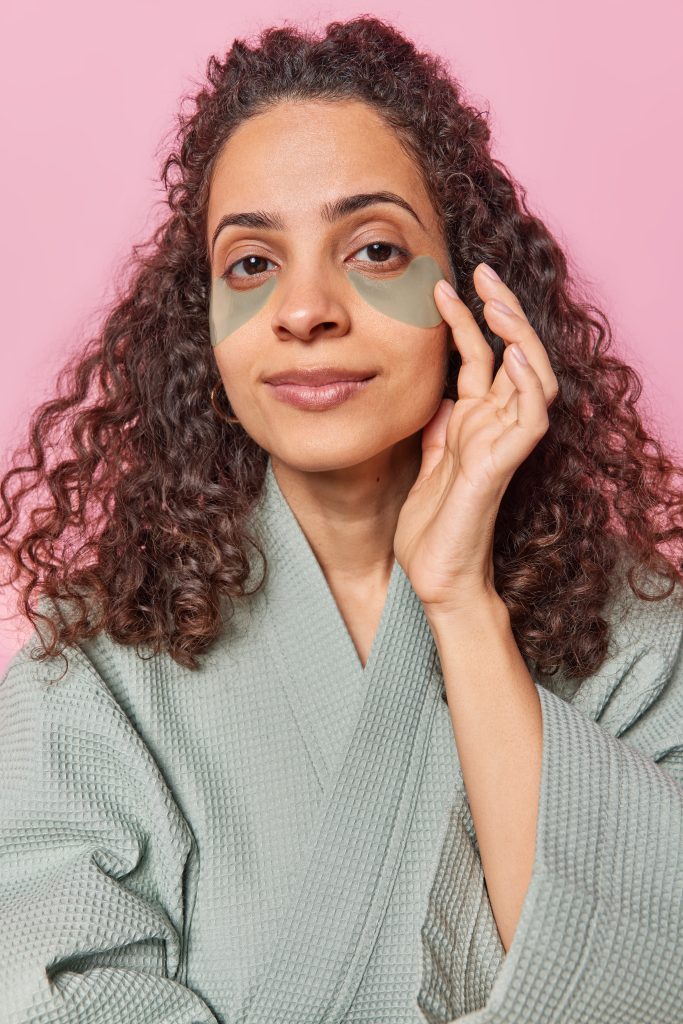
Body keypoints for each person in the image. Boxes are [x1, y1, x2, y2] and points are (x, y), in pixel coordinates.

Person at [0, 15, 681, 1024]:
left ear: (475, 292)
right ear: (204, 326)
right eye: (249, 264)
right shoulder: (87, 678)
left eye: (371, 248)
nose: (305, 308)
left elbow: (637, 983)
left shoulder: (637, 646)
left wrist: (458, 601)